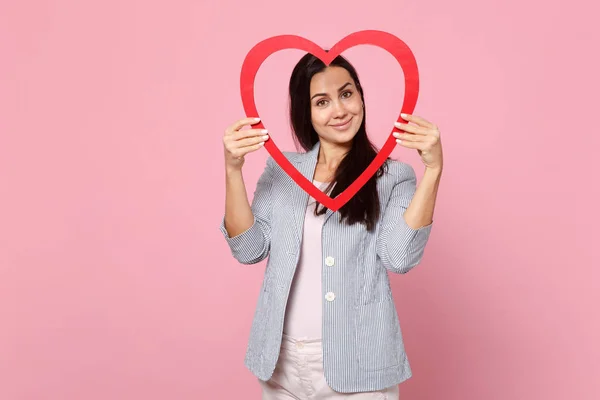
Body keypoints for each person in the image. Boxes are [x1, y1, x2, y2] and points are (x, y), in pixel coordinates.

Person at [220, 52, 443, 399]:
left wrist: (433, 171)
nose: (339, 110)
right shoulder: (282, 172)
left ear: (361, 97)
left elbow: (399, 258)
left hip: (359, 365)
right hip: (280, 363)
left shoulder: (392, 177)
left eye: (347, 93)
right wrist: (232, 171)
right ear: (305, 112)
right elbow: (248, 249)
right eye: (321, 101)